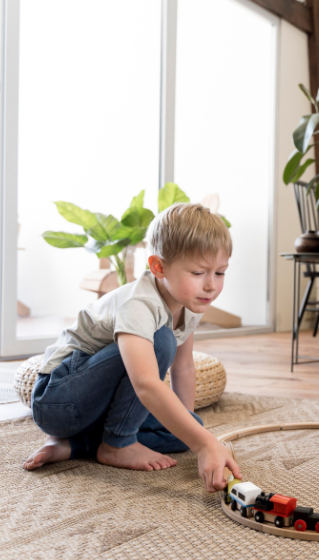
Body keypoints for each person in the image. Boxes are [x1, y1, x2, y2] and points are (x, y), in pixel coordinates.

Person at [24, 203, 242, 493]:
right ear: (158, 267)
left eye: (220, 273)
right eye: (199, 272)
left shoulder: (190, 303)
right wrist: (205, 443)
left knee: (186, 428)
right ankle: (118, 443)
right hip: (59, 400)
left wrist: (192, 431)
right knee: (162, 341)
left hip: (94, 408)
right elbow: (146, 385)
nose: (211, 286)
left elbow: (184, 366)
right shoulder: (139, 304)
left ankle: (77, 446)